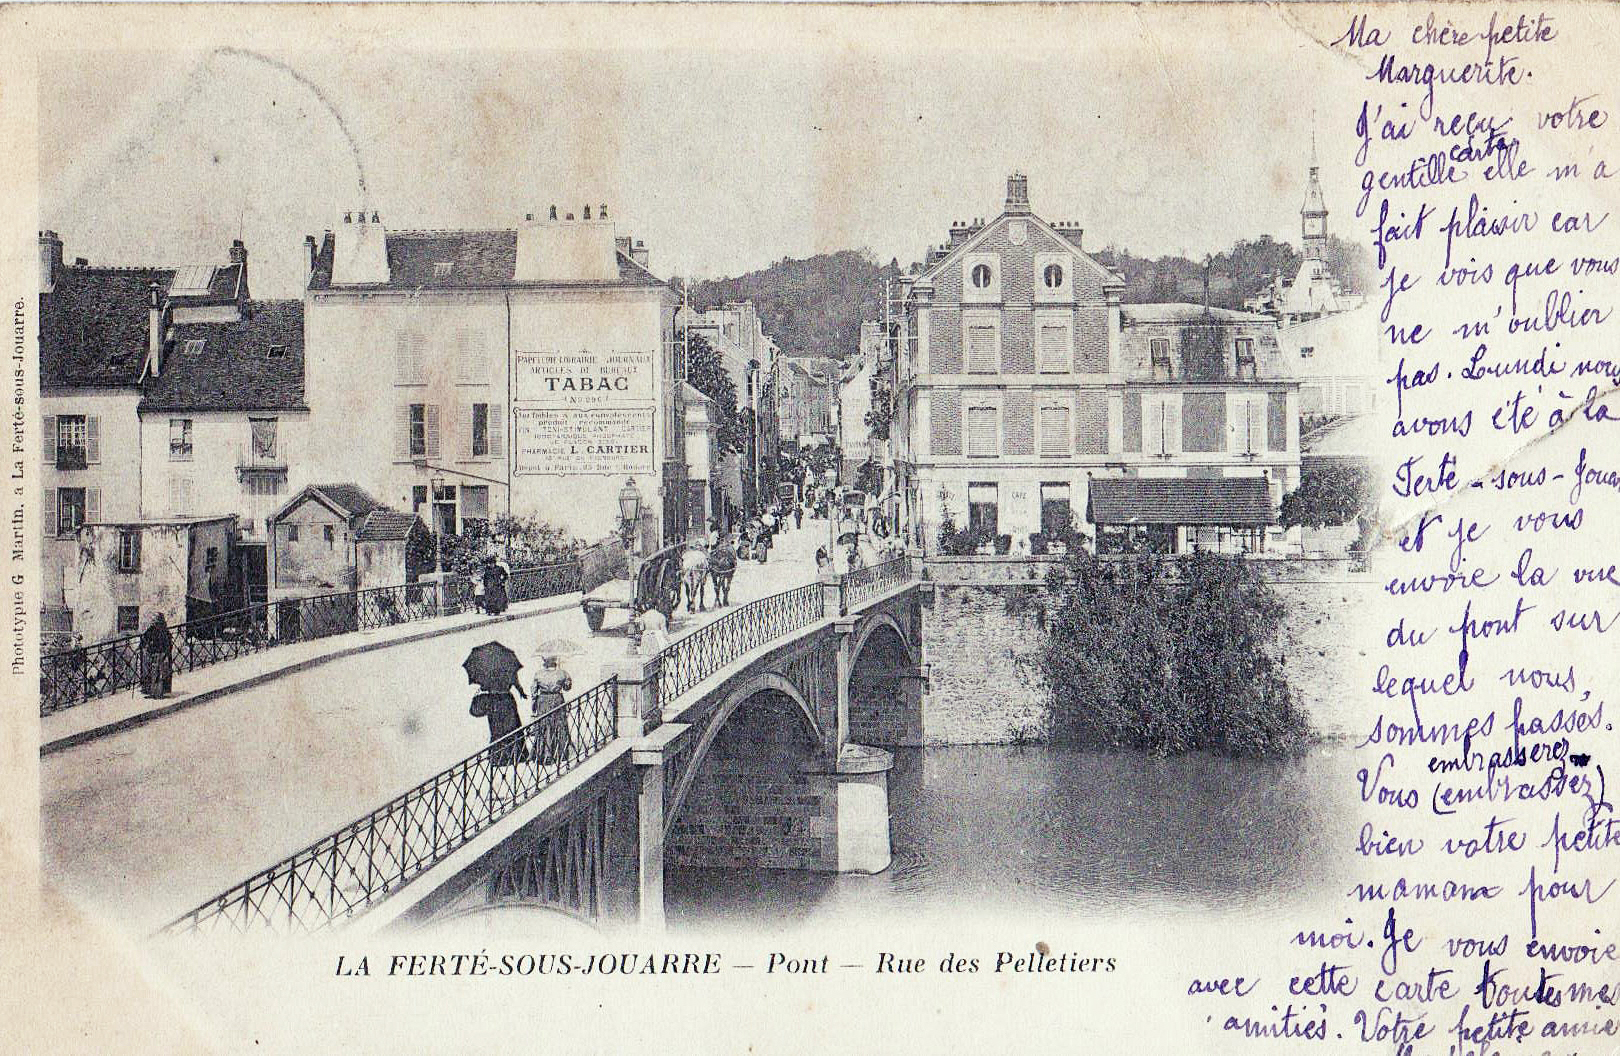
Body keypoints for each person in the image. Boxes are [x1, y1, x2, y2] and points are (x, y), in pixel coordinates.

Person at [529, 654, 573, 766]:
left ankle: (544, 754)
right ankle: (560, 752)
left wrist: (533, 705)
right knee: (558, 724)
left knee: (544, 725)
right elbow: (567, 688)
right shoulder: (562, 673)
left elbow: (534, 692)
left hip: (543, 701)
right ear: (555, 661)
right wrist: (566, 678)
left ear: (544, 661)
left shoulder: (538, 674)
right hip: (557, 700)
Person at [470, 683, 527, 767]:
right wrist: (521, 692)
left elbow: (484, 687)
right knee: (511, 728)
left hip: (494, 701)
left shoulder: (488, 675)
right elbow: (516, 683)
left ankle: (499, 756)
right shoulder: (508, 671)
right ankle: (516, 754)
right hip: (507, 700)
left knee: (497, 729)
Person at [139, 614, 174, 698]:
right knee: (157, 673)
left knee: (156, 673)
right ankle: (156, 692)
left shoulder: (159, 630)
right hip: (157, 653)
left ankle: (156, 693)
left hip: (157, 654)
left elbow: (145, 639)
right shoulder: (162, 630)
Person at [708, 533, 738, 606]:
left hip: (719, 566)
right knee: (727, 582)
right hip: (726, 568)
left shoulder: (717, 548)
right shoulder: (730, 548)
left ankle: (719, 598)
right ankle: (724, 598)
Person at [681, 541, 710, 613]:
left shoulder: (686, 554)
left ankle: (689, 602)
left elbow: (682, 565)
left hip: (687, 572)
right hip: (698, 571)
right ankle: (699, 604)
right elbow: (707, 567)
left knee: (688, 588)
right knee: (700, 587)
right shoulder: (701, 555)